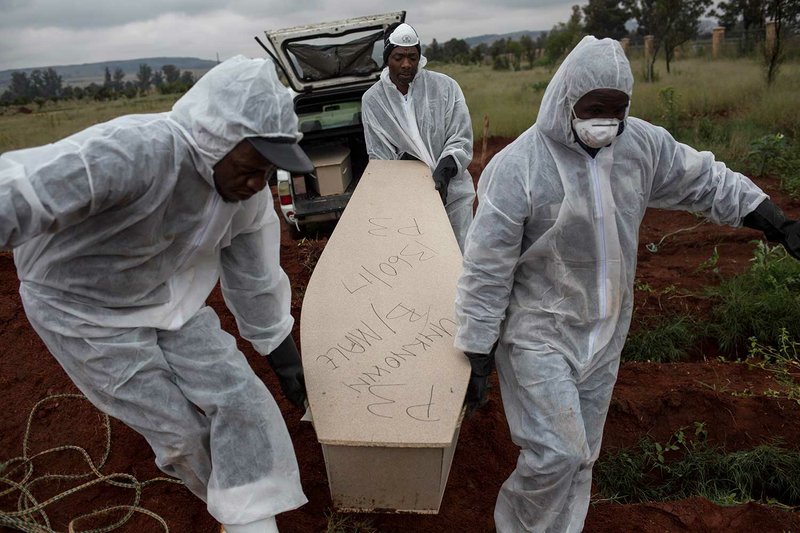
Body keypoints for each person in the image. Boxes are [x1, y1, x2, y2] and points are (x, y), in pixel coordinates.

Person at [454, 36, 800, 532]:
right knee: (556, 452)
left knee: (583, 456)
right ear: (566, 98)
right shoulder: (519, 166)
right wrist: (477, 345)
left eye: (617, 109)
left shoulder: (639, 145)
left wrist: (770, 218)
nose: (606, 120)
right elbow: (486, 265)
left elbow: (703, 179)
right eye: (595, 108)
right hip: (538, 331)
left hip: (606, 328)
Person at [0, 55, 316, 533]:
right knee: (181, 431)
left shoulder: (247, 197)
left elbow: (254, 275)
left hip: (168, 298)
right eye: (252, 166)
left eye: (269, 171)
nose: (257, 184)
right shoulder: (134, 153)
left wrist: (280, 348)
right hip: (82, 311)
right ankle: (229, 509)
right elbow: (20, 193)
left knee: (240, 397)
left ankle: (251, 521)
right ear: (216, 139)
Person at [361, 22, 476, 251]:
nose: (406, 64)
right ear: (387, 59)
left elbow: (460, 137)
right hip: (407, 200)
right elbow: (379, 155)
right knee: (421, 259)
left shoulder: (445, 88)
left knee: (460, 254)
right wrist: (410, 180)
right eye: (399, 57)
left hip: (452, 193)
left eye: (412, 57)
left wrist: (445, 169)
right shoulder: (373, 100)